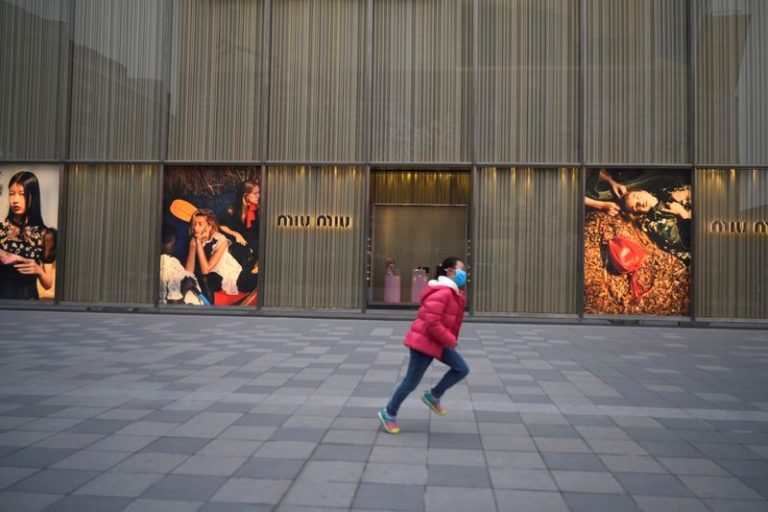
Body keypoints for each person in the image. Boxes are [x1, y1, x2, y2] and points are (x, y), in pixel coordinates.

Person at [378, 257, 470, 434]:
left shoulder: (451, 292)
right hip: (424, 342)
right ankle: (388, 413)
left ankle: (433, 395)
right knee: (410, 382)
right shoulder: (442, 292)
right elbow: (432, 321)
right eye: (460, 269)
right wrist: (450, 339)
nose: (463, 273)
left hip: (437, 341)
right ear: (449, 271)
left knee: (461, 368)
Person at [0, 171, 55, 300]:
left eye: (22, 194)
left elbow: (48, 284)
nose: (15, 200)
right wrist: (6, 255)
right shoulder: (1, 230)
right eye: (11, 194)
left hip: (28, 301)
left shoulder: (46, 235)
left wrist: (38, 270)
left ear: (33, 197)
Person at [184, 208, 242, 302]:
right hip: (204, 275)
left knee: (206, 278)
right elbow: (189, 270)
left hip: (223, 276)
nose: (195, 227)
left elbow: (206, 270)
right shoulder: (193, 240)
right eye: (194, 224)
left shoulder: (221, 241)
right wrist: (193, 244)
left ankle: (209, 307)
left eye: (200, 224)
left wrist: (198, 243)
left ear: (210, 226)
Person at [219, 180, 260, 292]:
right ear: (246, 196)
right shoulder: (231, 210)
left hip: (252, 242)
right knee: (245, 253)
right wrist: (235, 233)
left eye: (258, 193)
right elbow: (221, 225)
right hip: (237, 243)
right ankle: (244, 286)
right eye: (255, 193)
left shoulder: (257, 210)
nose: (259, 196)